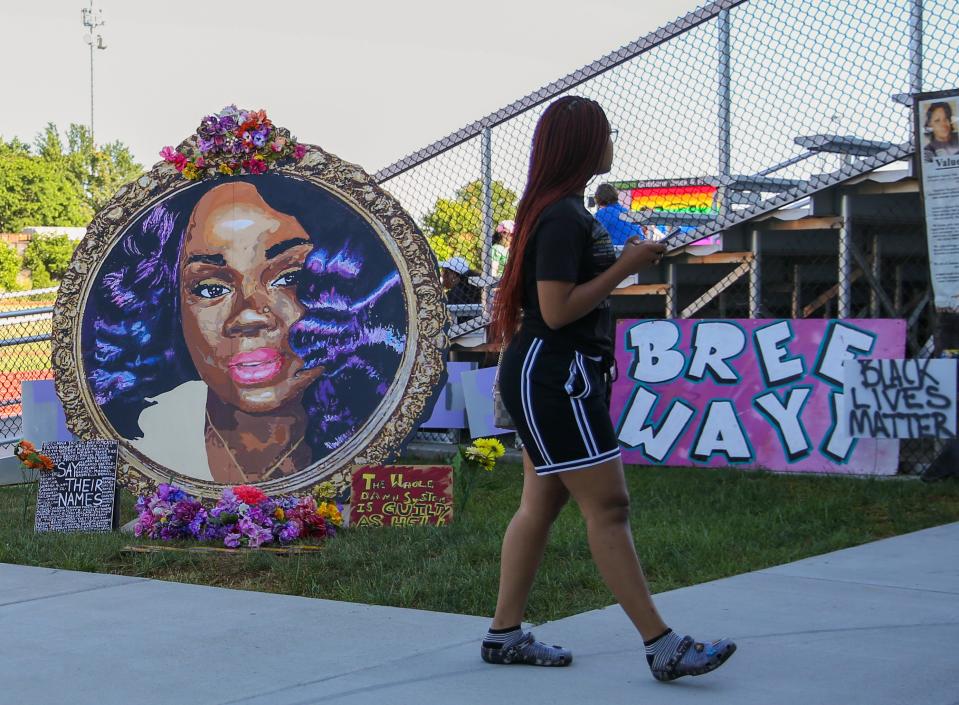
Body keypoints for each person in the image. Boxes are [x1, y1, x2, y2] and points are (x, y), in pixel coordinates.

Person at [482, 96, 736, 681]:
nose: (611, 141)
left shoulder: (561, 211)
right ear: (580, 144)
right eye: (604, 133)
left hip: (553, 370)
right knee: (610, 506)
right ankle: (662, 646)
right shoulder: (562, 217)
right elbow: (557, 307)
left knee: (542, 503)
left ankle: (505, 634)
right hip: (555, 374)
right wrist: (627, 265)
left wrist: (626, 260)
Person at [84, 175, 406, 483]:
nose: (249, 316)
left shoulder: (366, 435)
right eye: (211, 289)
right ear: (170, 309)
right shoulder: (147, 433)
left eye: (289, 279)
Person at [593, 182, 646, 246]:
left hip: (619, 252)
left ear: (598, 198)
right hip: (639, 248)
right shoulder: (626, 211)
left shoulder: (602, 213)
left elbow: (593, 237)